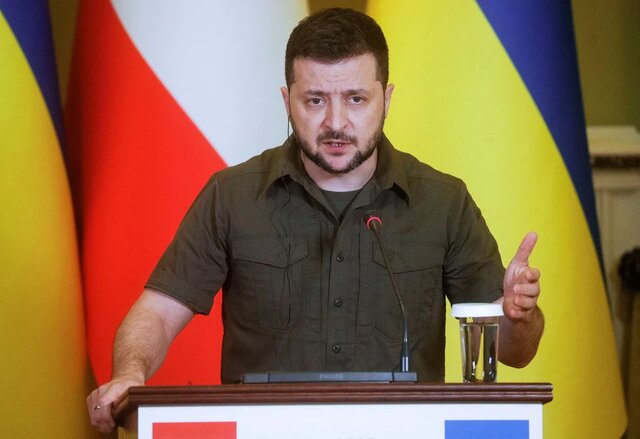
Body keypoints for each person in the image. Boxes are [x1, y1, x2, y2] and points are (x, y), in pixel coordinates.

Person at [87, 8, 544, 433]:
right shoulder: (232, 196)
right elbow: (157, 313)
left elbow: (513, 353)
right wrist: (130, 373)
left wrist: (519, 317)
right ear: (287, 101)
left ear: (386, 99)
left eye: (356, 99)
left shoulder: (443, 202)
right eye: (316, 100)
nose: (336, 122)